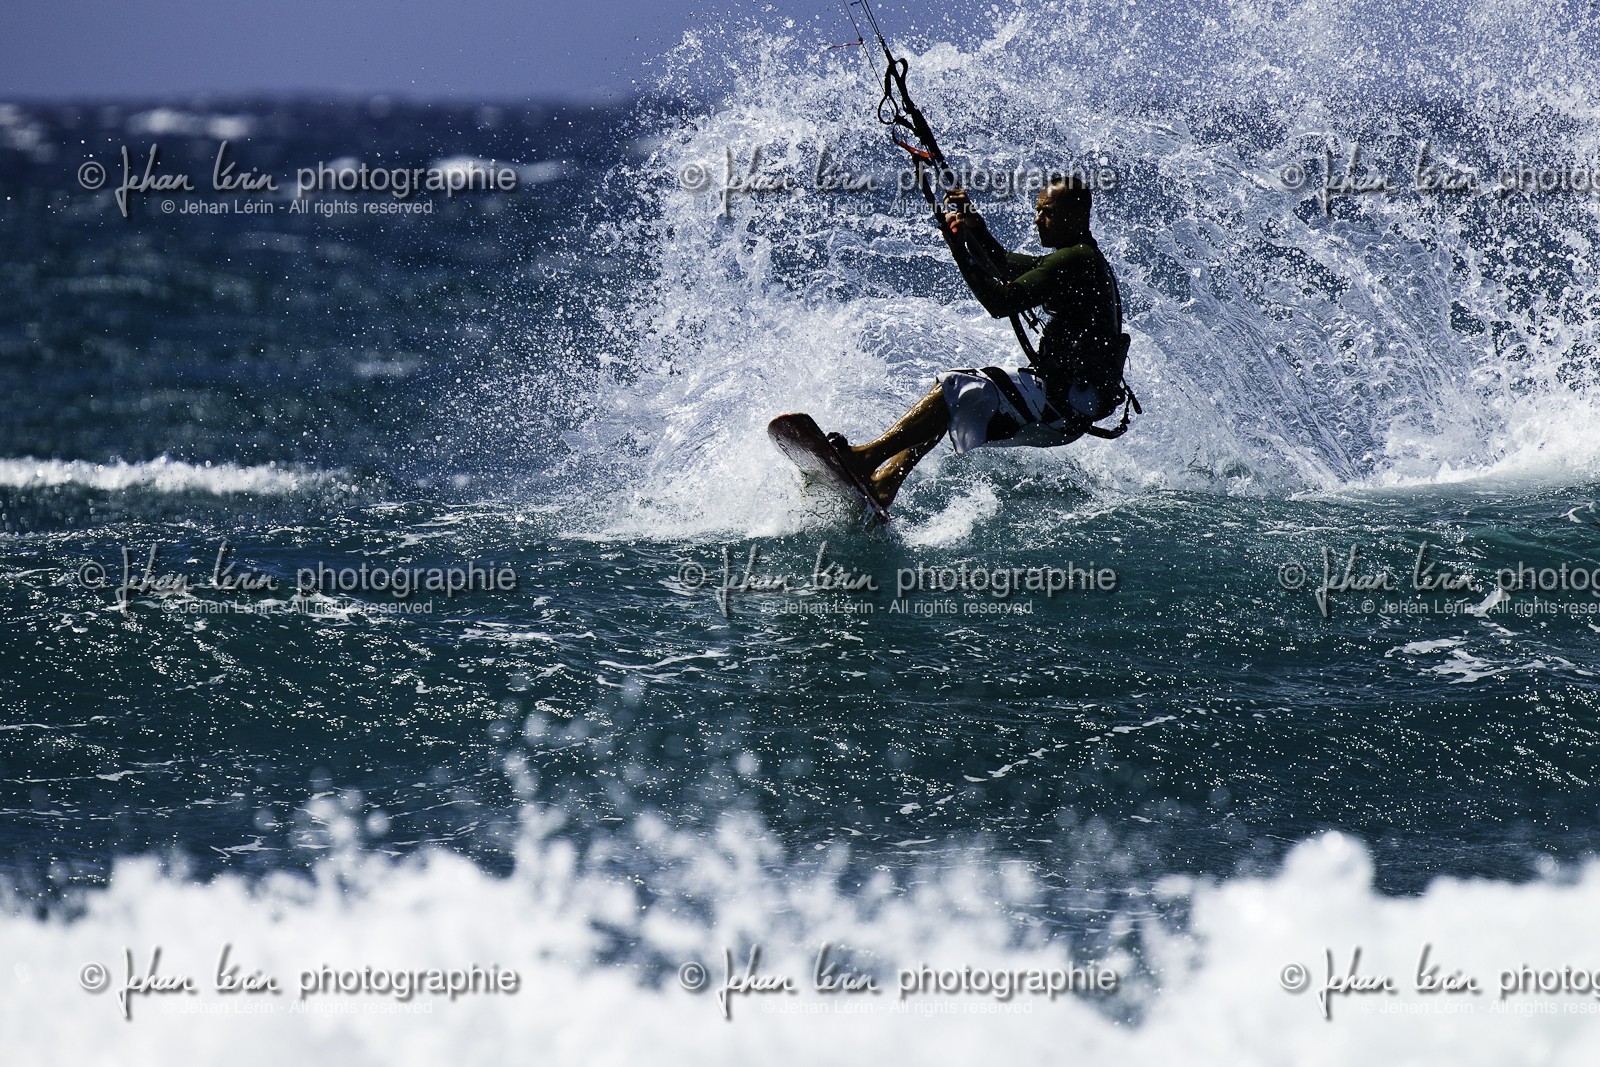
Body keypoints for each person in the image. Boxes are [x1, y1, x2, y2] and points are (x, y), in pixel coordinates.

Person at [830, 176, 1132, 506]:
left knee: (958, 387)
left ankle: (864, 459)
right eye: (1036, 210)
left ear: (1074, 215)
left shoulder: (1077, 260)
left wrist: (958, 246)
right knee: (957, 397)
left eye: (1046, 212)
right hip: (1069, 406)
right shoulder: (1077, 258)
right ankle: (886, 482)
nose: (1036, 219)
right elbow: (1003, 265)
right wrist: (976, 226)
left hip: (1064, 402)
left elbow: (999, 301)